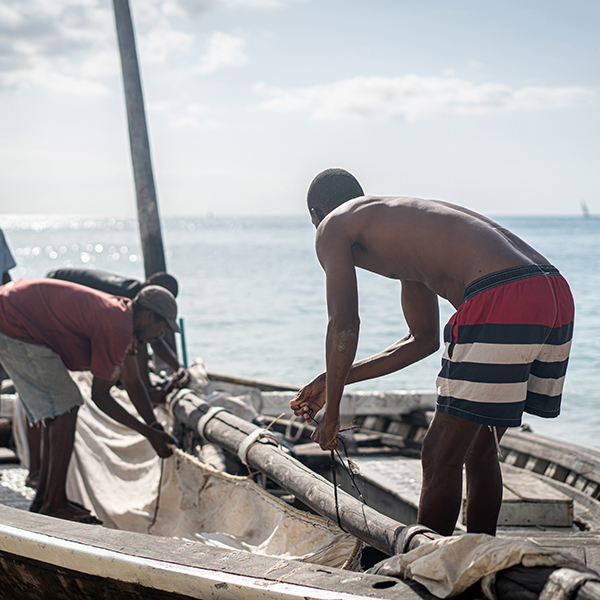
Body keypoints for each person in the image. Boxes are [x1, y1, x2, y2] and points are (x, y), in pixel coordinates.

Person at [290, 168, 574, 537]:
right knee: (480, 448)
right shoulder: (400, 224)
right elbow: (422, 339)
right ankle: (476, 558)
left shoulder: (332, 225)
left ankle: (428, 574)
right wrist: (331, 381)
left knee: (439, 456)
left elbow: (344, 324)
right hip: (552, 293)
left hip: (500, 294)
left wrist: (332, 413)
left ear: (317, 213)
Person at [0, 279, 179, 523]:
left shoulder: (124, 319)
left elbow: (133, 383)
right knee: (67, 406)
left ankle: (45, 499)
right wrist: (147, 432)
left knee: (62, 408)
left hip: (13, 312)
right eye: (162, 328)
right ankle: (54, 503)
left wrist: (154, 427)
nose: (161, 335)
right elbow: (101, 397)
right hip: (12, 319)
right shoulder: (117, 327)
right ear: (148, 316)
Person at [46, 268, 189, 401]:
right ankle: (146, 386)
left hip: (60, 293)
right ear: (148, 285)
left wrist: (179, 367)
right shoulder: (128, 300)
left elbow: (154, 338)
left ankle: (145, 386)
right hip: (54, 289)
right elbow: (142, 340)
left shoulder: (141, 300)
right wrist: (146, 389)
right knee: (135, 337)